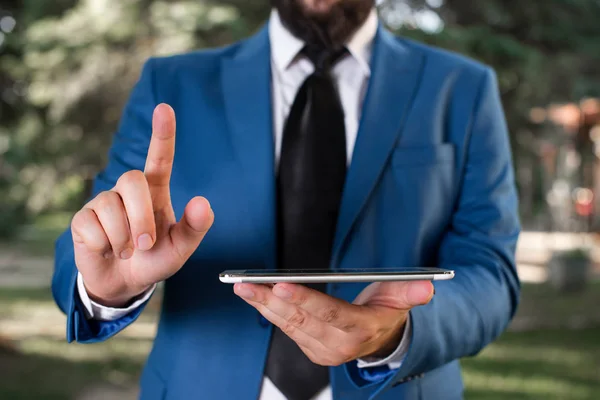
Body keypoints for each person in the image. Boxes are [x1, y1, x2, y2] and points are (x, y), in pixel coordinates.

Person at [51, 0, 521, 399]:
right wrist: (107, 286)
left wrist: (399, 332)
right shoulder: (172, 84)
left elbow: (490, 273)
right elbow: (94, 241)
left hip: (394, 385)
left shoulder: (463, 88)